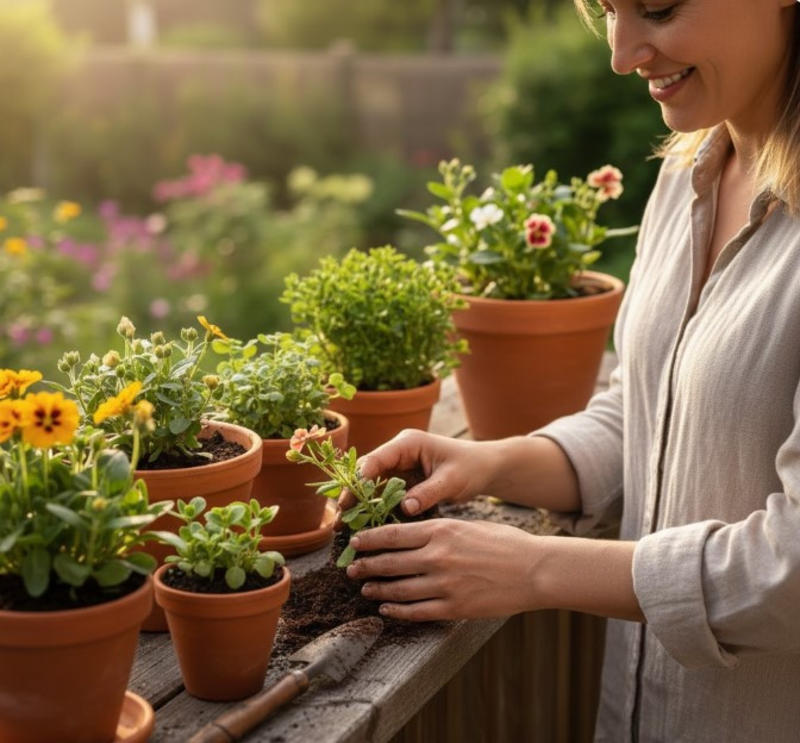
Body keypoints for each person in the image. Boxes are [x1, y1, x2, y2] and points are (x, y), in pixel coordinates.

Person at [337, 0, 800, 740]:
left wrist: (533, 570)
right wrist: (488, 463)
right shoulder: (692, 171)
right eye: (610, 11)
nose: (621, 53)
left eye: (656, 8)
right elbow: (644, 415)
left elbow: (793, 571)